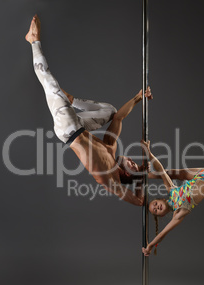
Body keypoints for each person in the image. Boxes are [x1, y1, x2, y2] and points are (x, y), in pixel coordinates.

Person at [25, 15, 153, 206]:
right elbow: (118, 118)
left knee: (49, 83)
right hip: (80, 125)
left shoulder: (110, 180)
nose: (133, 160)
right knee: (111, 111)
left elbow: (139, 201)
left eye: (133, 165)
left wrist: (141, 178)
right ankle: (72, 100)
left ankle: (33, 40)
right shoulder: (111, 148)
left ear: (126, 172)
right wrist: (137, 98)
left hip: (68, 129)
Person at [141, 140, 204, 256]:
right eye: (156, 210)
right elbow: (162, 234)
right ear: (162, 215)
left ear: (161, 199)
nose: (157, 207)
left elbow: (161, 170)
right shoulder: (177, 214)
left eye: (155, 204)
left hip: (199, 175)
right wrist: (150, 245)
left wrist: (149, 153)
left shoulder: (171, 190)